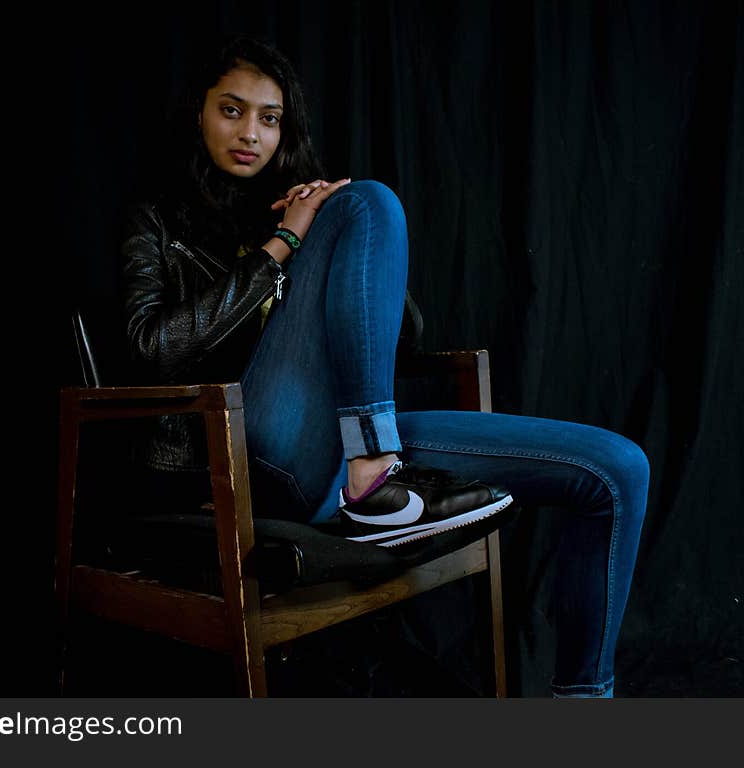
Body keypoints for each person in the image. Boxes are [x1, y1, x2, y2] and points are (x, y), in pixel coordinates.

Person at [120, 34, 649, 697]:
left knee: (617, 469)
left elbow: (403, 337)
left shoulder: (302, 214)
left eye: (269, 117)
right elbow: (149, 345)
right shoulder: (155, 221)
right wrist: (280, 248)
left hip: (345, 455)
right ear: (197, 113)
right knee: (371, 200)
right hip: (243, 460)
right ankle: (375, 476)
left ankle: (582, 704)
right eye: (231, 110)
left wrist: (326, 236)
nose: (250, 132)